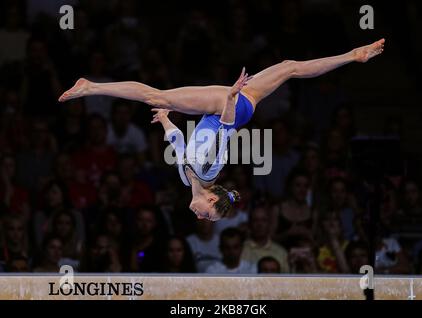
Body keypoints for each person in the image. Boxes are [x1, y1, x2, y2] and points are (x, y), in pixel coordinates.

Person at [59, 39, 385, 221]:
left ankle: (352, 55)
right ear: (213, 198)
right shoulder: (210, 169)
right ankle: (90, 87)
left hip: (237, 107)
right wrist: (229, 96)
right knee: (153, 94)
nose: (201, 217)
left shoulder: (190, 178)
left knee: (289, 67)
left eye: (205, 219)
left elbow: (178, 145)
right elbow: (227, 128)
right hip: (225, 109)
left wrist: (167, 121)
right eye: (208, 215)